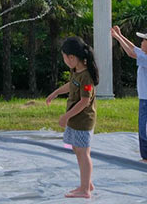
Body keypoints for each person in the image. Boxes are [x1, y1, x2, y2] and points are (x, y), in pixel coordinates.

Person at [46, 36, 99, 199]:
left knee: (83, 153)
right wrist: (56, 92)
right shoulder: (76, 71)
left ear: (72, 57)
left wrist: (65, 117)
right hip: (75, 119)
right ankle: (86, 183)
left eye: (64, 57)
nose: (64, 61)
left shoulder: (86, 77)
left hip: (83, 120)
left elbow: (84, 101)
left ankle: (85, 190)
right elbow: (71, 85)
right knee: (78, 149)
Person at [111, 26, 147, 164]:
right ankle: (146, 157)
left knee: (145, 127)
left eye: (144, 41)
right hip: (145, 98)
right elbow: (133, 47)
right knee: (142, 127)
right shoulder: (146, 55)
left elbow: (130, 53)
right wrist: (120, 35)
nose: (141, 43)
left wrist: (116, 37)